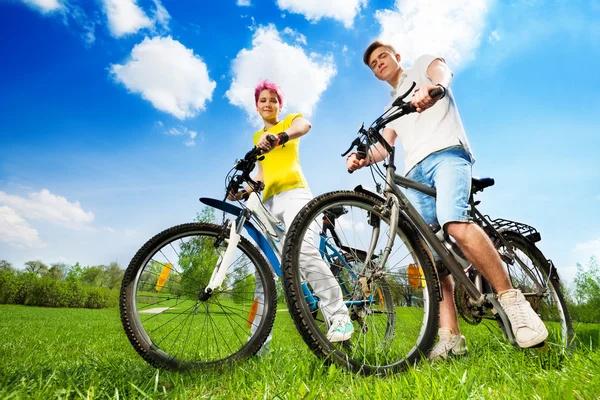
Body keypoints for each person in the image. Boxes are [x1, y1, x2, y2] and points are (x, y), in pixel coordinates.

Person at [346, 41, 548, 360]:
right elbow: (384, 146)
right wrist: (362, 159)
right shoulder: (393, 107)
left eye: (382, 56)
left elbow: (442, 71)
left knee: (454, 224)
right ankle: (451, 337)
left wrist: (435, 88)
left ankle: (513, 301)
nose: (378, 63)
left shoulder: (421, 66)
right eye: (372, 63)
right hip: (414, 172)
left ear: (397, 56)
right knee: (430, 255)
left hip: (447, 154)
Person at [229, 80, 354, 354]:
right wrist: (244, 191)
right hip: (268, 202)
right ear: (257, 105)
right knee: (264, 269)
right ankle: (258, 344)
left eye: (273, 100)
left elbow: (304, 127)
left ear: (279, 104)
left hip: (295, 194)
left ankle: (339, 318)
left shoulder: (288, 121)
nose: (268, 104)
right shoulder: (255, 139)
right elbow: (261, 176)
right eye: (263, 100)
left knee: (302, 251)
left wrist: (280, 136)